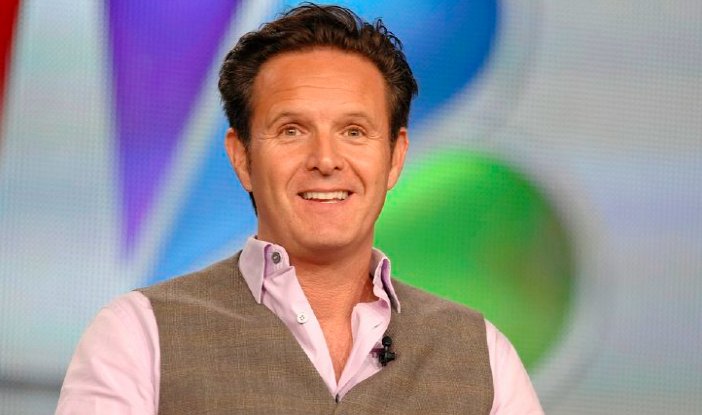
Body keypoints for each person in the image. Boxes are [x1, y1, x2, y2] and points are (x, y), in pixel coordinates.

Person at [56, 4, 543, 414]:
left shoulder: (481, 355)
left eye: (354, 131)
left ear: (395, 158)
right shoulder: (139, 335)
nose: (326, 160)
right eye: (292, 130)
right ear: (242, 157)